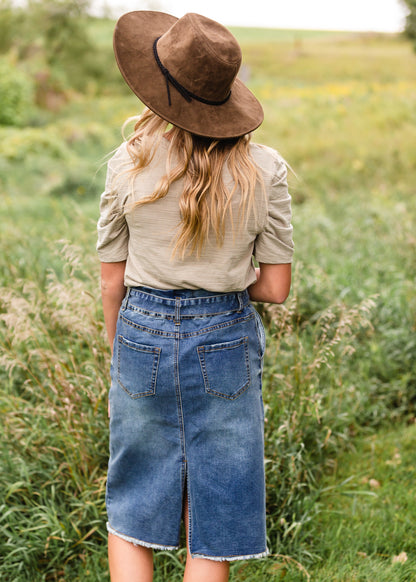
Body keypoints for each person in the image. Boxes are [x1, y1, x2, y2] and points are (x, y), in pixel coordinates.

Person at [97, 10, 294, 582]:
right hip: (226, 338)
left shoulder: (126, 162)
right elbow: (275, 288)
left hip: (140, 333)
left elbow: (113, 279)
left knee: (133, 501)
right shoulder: (265, 168)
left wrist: (120, 356)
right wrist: (223, 276)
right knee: (218, 508)